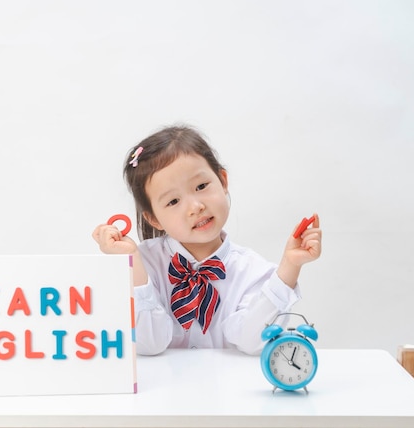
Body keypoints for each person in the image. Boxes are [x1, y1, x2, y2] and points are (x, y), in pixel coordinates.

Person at [92, 125, 322, 355]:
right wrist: (131, 263)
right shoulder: (144, 264)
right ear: (154, 218)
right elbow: (148, 344)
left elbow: (253, 342)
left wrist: (290, 267)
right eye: (173, 201)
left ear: (222, 180)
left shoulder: (253, 271)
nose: (195, 207)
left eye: (201, 186)